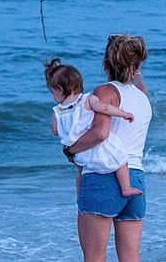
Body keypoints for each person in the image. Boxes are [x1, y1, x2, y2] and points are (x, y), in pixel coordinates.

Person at [64, 34, 151, 262]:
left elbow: (100, 132)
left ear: (105, 63)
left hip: (102, 179)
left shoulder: (105, 92)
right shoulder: (142, 96)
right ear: (137, 64)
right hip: (137, 177)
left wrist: (70, 150)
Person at [46, 58, 142, 197]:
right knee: (121, 159)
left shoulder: (57, 111)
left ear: (60, 89)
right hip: (96, 147)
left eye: (52, 92)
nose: (53, 96)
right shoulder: (87, 99)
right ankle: (126, 187)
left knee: (81, 173)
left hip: (78, 153)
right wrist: (123, 114)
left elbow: (55, 131)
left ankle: (80, 196)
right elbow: (104, 108)